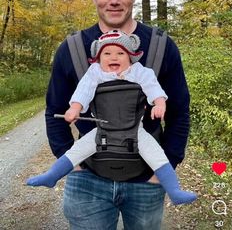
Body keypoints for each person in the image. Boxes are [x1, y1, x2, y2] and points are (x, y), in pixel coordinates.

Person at [43, 0, 191, 230]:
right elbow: (54, 111)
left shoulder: (161, 47)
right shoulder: (72, 49)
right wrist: (70, 162)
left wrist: (164, 168)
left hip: (146, 182)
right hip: (87, 181)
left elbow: (180, 111)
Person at [26, 30, 197, 206]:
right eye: (107, 53)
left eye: (120, 53)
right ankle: (52, 175)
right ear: (99, 58)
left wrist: (159, 103)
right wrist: (75, 107)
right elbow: (84, 90)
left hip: (135, 132)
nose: (113, 57)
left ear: (130, 56)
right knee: (76, 151)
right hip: (102, 131)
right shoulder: (95, 72)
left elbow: (152, 85)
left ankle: (174, 190)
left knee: (157, 156)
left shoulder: (138, 71)